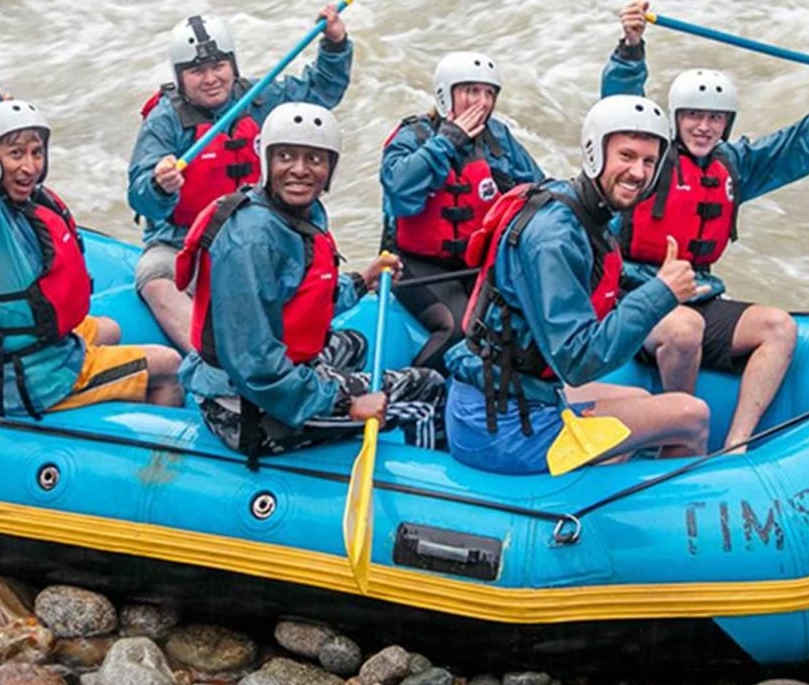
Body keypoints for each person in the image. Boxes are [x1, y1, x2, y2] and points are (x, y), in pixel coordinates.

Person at [602, 0, 809, 448]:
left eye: (715, 118)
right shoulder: (647, 158)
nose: (704, 127)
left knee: (779, 327)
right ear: (676, 118)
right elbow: (620, 106)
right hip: (635, 297)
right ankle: (677, 441)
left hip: (698, 296)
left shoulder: (734, 165)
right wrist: (630, 48)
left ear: (726, 123)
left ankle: (737, 444)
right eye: (694, 116)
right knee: (684, 329)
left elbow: (799, 148)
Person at [0, 21, 183, 416]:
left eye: (36, 152)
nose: (29, 167)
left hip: (49, 350)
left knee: (110, 329)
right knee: (168, 365)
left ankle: (114, 392)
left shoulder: (16, 203)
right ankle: (154, 438)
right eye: (15, 154)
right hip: (38, 382)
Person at [443, 94, 712, 475]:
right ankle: (671, 506)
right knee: (691, 414)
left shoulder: (580, 210)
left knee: (638, 396)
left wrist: (660, 285)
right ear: (594, 153)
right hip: (502, 429)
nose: (638, 172)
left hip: (513, 395)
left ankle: (617, 477)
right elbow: (577, 361)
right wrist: (661, 293)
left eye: (649, 161)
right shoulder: (554, 237)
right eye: (626, 156)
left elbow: (601, 276)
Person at [177, 102, 445, 460]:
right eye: (286, 156)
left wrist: (361, 281)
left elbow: (303, 297)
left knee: (354, 344)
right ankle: (424, 478)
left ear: (330, 168)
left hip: (269, 376)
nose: (300, 170)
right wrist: (344, 402)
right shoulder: (252, 241)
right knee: (428, 388)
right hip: (248, 409)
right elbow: (255, 365)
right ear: (266, 161)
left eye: (315, 159)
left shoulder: (292, 213)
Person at [127, 9, 353, 348]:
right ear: (180, 76)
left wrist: (335, 45)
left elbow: (320, 92)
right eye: (197, 71)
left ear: (233, 65)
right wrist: (160, 186)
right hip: (186, 245)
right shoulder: (164, 121)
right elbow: (140, 195)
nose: (210, 79)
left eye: (218, 66)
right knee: (154, 278)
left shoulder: (259, 98)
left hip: (262, 235)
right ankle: (207, 359)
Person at [380, 51, 546, 370]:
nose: (482, 102)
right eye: (471, 91)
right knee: (458, 329)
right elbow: (399, 191)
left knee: (518, 324)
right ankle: (415, 386)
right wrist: (446, 142)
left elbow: (539, 190)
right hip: (416, 265)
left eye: (489, 93)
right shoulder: (413, 136)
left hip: (478, 264)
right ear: (446, 94)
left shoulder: (498, 138)